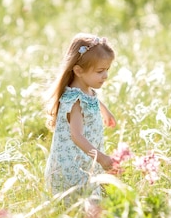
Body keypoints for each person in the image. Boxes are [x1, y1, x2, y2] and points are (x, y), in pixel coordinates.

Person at [44, 33, 117, 203]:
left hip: (85, 161)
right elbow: (76, 137)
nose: (105, 75)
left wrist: (105, 111)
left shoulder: (86, 89)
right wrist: (101, 157)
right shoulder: (74, 100)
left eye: (107, 70)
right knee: (81, 206)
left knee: (92, 201)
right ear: (78, 70)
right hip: (72, 167)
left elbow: (92, 98)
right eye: (100, 71)